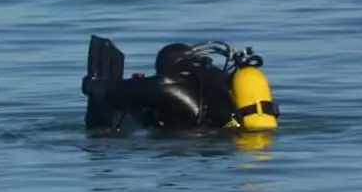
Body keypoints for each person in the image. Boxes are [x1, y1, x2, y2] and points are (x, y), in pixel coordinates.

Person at [81, 35, 278, 133]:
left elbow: (159, 87)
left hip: (210, 142)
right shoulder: (212, 83)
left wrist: (96, 87)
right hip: (231, 142)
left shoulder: (175, 87)